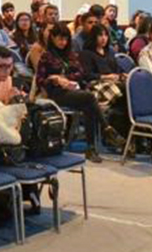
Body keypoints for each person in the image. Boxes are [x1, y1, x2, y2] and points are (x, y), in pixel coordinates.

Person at [37, 26, 104, 162]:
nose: (63, 42)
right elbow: (40, 80)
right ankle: (105, 129)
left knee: (88, 106)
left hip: (73, 90)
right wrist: (54, 79)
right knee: (89, 97)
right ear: (53, 38)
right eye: (60, 39)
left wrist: (66, 79)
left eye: (66, 39)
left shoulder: (71, 55)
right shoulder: (46, 56)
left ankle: (91, 147)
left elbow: (80, 73)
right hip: (56, 93)